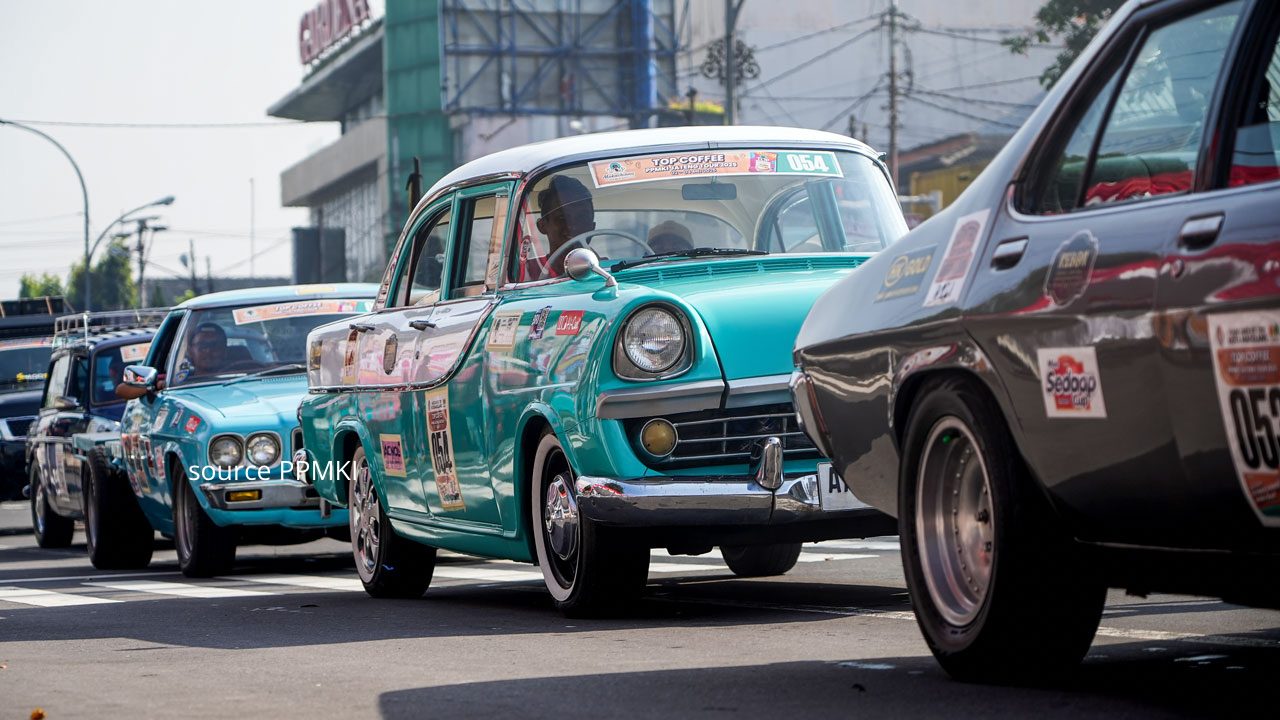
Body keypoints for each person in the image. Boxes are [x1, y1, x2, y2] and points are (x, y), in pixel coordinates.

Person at [521, 175, 596, 281]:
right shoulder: (527, 273)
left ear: (592, 227)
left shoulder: (612, 269)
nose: (572, 226)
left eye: (581, 218)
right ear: (542, 226)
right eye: (562, 218)